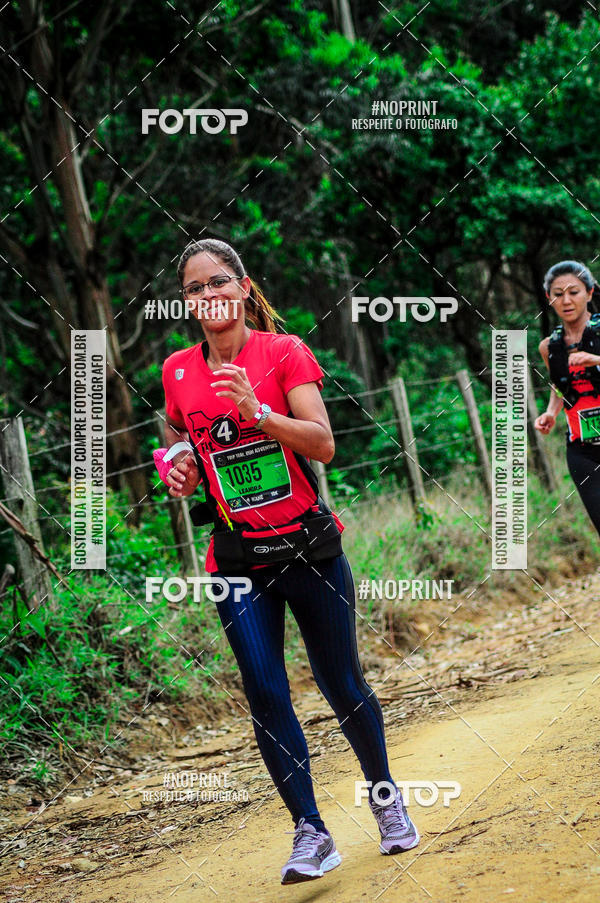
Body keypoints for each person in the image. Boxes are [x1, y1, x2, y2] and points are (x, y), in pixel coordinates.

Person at [156, 238, 419, 884]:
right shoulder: (178, 369)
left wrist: (259, 412)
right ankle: (311, 830)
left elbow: (323, 443)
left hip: (307, 547)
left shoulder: (283, 352)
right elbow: (174, 435)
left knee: (342, 684)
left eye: (219, 280)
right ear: (186, 301)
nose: (208, 294)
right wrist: (178, 464)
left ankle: (385, 798)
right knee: (265, 690)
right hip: (237, 557)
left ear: (244, 289)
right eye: (195, 287)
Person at [534, 260, 600, 535]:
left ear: (590, 293)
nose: (566, 300)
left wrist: (595, 359)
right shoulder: (549, 346)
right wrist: (551, 412)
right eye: (558, 294)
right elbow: (560, 386)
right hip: (582, 449)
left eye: (574, 291)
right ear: (549, 299)